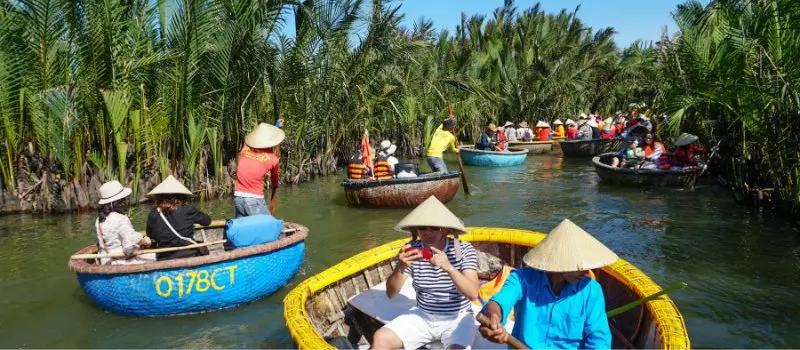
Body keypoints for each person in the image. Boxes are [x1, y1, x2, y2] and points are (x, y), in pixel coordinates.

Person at [478, 219, 614, 349]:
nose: (586, 272)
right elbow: (498, 303)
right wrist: (493, 317)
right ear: (559, 262)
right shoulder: (522, 279)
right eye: (579, 266)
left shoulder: (591, 291)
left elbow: (599, 341)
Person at [372, 196, 479, 350]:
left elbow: (473, 293)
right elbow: (391, 293)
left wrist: (449, 268)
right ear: (417, 229)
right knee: (380, 338)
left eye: (434, 227)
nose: (428, 233)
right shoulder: (411, 249)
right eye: (423, 227)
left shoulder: (462, 249)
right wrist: (400, 267)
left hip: (457, 316)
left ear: (445, 229)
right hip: (422, 314)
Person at [146, 175, 212, 261]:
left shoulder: (153, 213)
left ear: (159, 197)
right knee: (202, 247)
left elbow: (150, 234)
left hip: (164, 257)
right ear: (182, 196)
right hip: (189, 254)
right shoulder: (188, 210)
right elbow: (207, 221)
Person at [94, 181, 154, 265]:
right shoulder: (120, 218)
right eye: (124, 199)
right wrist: (142, 241)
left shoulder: (98, 219)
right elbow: (128, 249)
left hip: (105, 260)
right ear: (120, 201)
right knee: (155, 256)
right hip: (121, 261)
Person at [233, 121, 285, 217]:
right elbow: (274, 182)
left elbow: (256, 138)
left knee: (243, 228)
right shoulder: (273, 159)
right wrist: (276, 183)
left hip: (238, 197)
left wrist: (276, 127)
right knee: (268, 227)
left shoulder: (245, 149)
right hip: (254, 200)